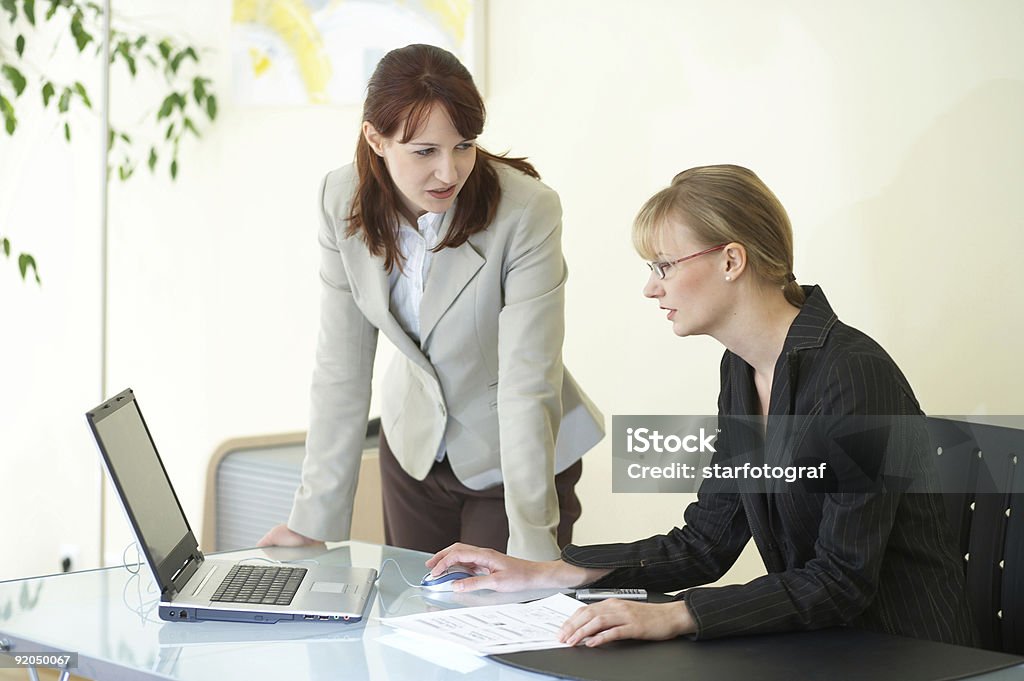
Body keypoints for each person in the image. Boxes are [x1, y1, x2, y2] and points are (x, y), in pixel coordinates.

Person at [426, 164, 976, 647]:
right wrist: (550, 572)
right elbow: (707, 542)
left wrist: (675, 615)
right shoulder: (741, 368)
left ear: (731, 260)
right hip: (827, 643)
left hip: (905, 652)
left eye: (663, 265)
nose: (650, 288)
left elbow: (841, 579)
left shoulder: (854, 375)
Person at [258, 44, 603, 561]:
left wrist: (534, 549)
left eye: (464, 146)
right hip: (412, 451)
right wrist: (312, 522)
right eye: (425, 151)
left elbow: (528, 382)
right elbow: (341, 368)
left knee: (497, 631)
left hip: (512, 458)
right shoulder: (341, 198)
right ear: (376, 138)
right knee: (410, 621)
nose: (450, 172)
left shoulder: (527, 211)